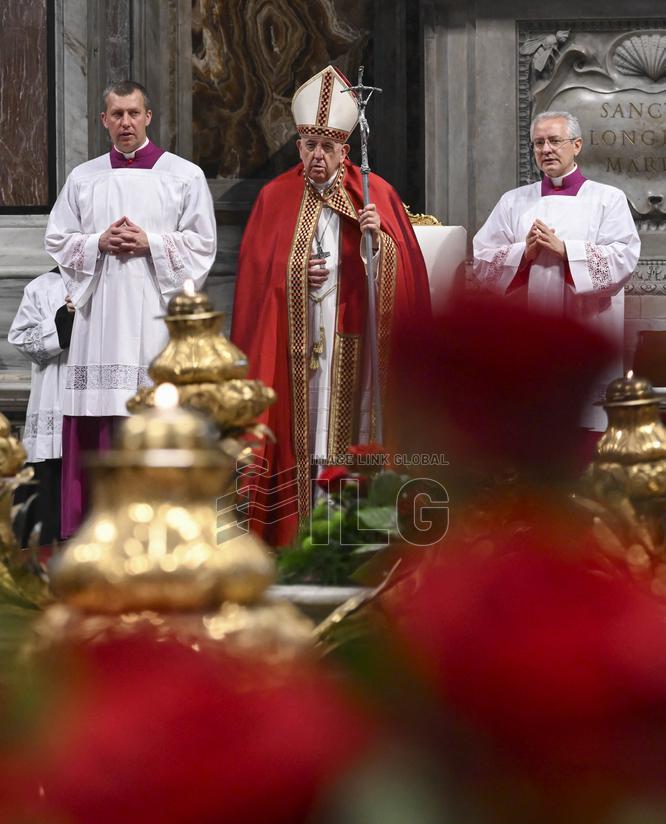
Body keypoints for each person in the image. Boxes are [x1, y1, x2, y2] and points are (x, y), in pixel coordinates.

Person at [231, 65, 430, 545]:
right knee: (304, 436)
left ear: (345, 149)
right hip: (294, 347)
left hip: (353, 340)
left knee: (345, 433)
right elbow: (257, 284)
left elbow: (404, 276)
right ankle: (295, 528)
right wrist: (294, 275)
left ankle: (354, 529)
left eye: (328, 147)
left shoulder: (374, 193)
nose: (317, 156)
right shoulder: (273, 198)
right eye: (309, 145)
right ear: (298, 144)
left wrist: (375, 241)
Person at [45, 80, 217, 536]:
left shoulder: (184, 175)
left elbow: (203, 245)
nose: (125, 122)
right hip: (97, 320)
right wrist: (97, 241)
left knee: (152, 415)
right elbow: (58, 238)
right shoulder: (84, 178)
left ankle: (157, 529)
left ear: (148, 117)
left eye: (133, 113)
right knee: (97, 416)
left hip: (153, 320)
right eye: (116, 114)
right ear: (103, 120)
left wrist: (152, 243)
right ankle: (91, 528)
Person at [473, 110, 640, 430]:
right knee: (533, 428)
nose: (546, 149)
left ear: (577, 145)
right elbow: (482, 260)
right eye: (538, 143)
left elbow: (624, 258)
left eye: (554, 141)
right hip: (530, 332)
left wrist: (566, 252)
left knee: (587, 425)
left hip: (588, 328)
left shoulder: (608, 199)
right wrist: (525, 254)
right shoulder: (514, 202)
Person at [8, 269, 73, 544]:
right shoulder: (43, 286)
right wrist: (65, 318)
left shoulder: (119, 281)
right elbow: (22, 340)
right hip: (55, 404)